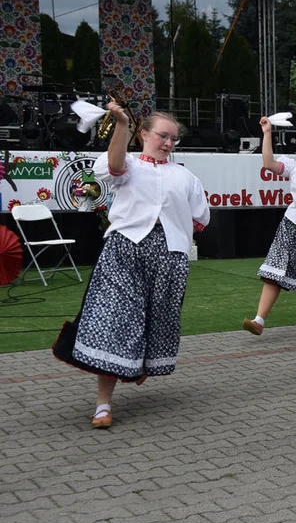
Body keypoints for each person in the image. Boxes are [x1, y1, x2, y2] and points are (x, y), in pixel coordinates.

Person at [53, 104, 210, 429]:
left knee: (158, 322)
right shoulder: (129, 164)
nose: (167, 143)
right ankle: (102, 406)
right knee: (114, 322)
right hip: (124, 253)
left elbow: (200, 218)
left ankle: (136, 365)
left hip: (169, 258)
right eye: (162, 136)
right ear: (144, 134)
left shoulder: (185, 176)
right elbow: (113, 165)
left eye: (173, 139)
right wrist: (121, 123)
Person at [242, 120, 296, 335]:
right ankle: (259, 320)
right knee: (274, 269)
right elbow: (269, 164)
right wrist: (267, 133)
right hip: (292, 224)